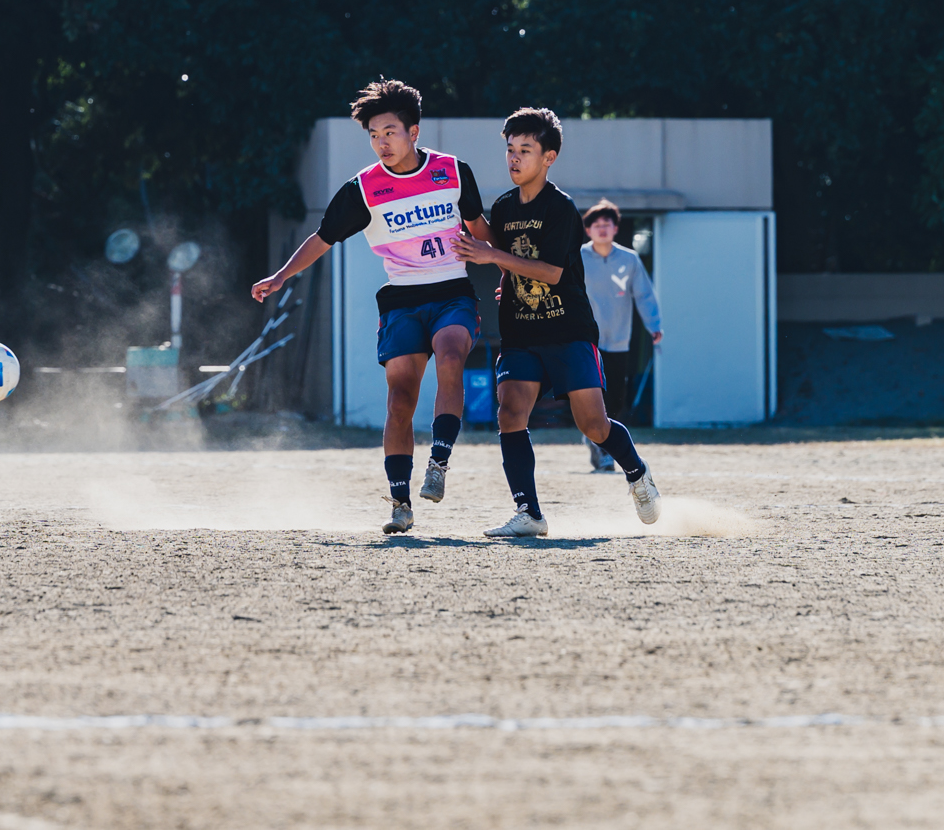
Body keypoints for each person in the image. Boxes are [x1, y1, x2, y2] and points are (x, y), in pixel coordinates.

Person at [252, 79, 490, 534]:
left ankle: (439, 463)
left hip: (451, 291)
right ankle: (400, 503)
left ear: (413, 132)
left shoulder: (453, 171)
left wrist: (511, 267)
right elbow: (322, 238)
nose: (382, 142)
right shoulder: (363, 188)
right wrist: (280, 276)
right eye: (374, 135)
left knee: (451, 355)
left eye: (390, 132)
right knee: (400, 399)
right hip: (401, 298)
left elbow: (481, 229)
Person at [455, 108, 662, 536]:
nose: (514, 158)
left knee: (594, 425)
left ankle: (637, 473)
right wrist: (505, 273)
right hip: (520, 331)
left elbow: (551, 271)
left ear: (549, 157)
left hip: (568, 331)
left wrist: (494, 257)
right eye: (509, 149)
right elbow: (510, 258)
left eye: (525, 150)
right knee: (510, 412)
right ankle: (529, 512)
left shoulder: (561, 207)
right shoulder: (503, 206)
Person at [579, 198, 662, 472]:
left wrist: (654, 325)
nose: (602, 229)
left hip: (618, 339)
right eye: (596, 225)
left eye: (607, 224)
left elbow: (644, 295)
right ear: (588, 230)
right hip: (586, 340)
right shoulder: (577, 258)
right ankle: (601, 448)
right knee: (591, 394)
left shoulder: (629, 259)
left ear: (615, 228)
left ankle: (599, 441)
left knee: (615, 398)